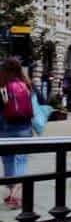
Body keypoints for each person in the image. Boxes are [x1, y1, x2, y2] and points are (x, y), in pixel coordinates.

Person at [0, 57, 34, 210]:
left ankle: (12, 191)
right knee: (21, 160)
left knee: (7, 161)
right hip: (24, 128)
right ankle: (15, 193)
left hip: (5, 127)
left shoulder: (2, 86)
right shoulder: (26, 85)